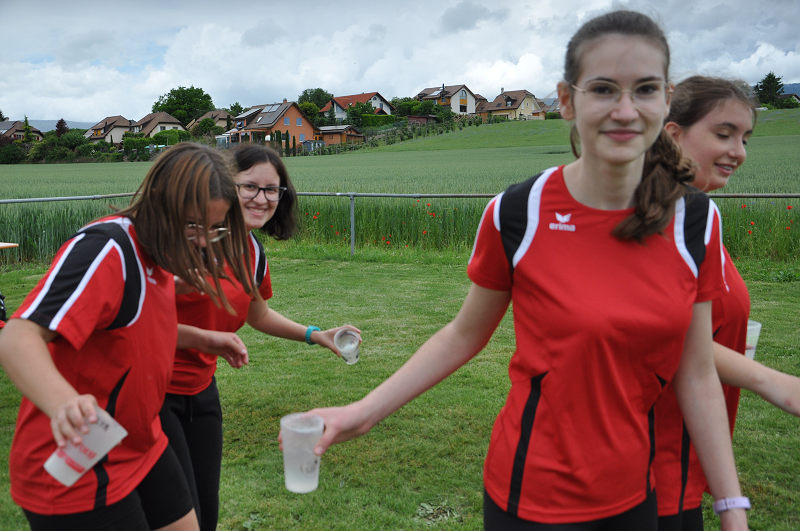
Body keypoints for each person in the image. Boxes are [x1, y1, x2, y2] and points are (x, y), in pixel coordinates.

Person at [293, 10, 749, 530]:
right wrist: (362, 412)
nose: (625, 110)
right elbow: (464, 335)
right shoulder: (518, 212)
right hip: (529, 496)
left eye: (644, 89)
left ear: (665, 99)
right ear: (566, 100)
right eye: (603, 89)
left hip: (635, 495)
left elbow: (697, 373)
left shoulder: (696, 221)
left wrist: (731, 509)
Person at [0, 142, 257, 530]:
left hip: (141, 442)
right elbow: (18, 336)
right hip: (80, 459)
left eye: (214, 229)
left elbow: (135, 332)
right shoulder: (106, 249)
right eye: (193, 225)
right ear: (158, 202)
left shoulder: (159, 255)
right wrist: (63, 402)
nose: (204, 242)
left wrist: (205, 339)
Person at [160, 143, 360, 531]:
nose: (262, 198)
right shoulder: (185, 242)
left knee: (205, 509)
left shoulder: (252, 253)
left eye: (272, 190)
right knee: (174, 512)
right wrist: (202, 334)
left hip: (202, 393)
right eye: (250, 186)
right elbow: (136, 318)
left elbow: (259, 315)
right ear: (223, 185)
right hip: (152, 392)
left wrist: (316, 335)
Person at [655, 75, 800, 530]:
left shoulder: (699, 215)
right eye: (724, 134)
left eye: (745, 138)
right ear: (674, 134)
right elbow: (666, 339)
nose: (739, 151)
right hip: (653, 452)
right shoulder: (658, 217)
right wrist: (778, 384)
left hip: (689, 443)